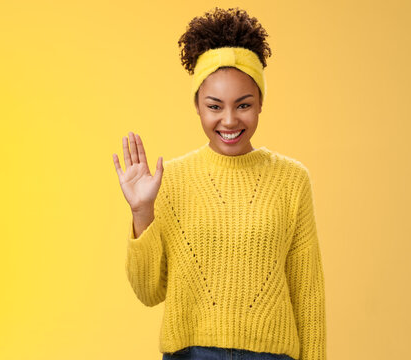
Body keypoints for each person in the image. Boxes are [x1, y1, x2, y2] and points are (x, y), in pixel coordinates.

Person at [112, 7, 326, 360]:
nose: (229, 120)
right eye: (215, 106)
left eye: (243, 105)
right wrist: (141, 210)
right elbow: (149, 292)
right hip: (190, 354)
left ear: (260, 104)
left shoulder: (291, 180)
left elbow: (308, 293)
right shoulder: (171, 180)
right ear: (197, 105)